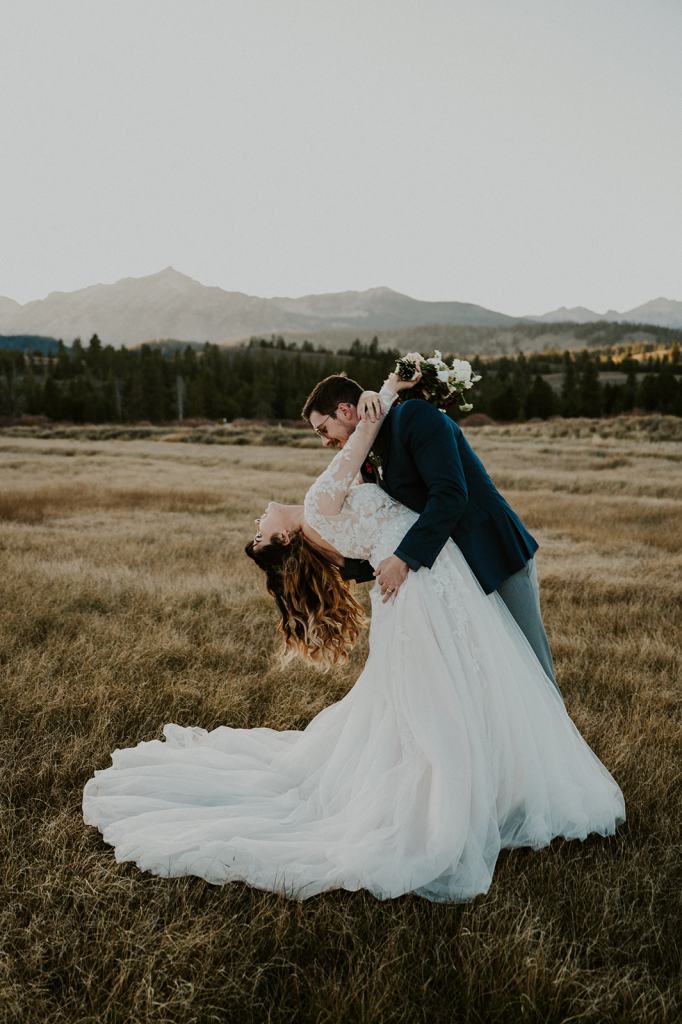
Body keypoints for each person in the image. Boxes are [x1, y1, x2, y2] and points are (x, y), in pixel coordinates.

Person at [82, 373, 624, 902]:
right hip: (420, 580)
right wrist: (378, 406)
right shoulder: (318, 502)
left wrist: (382, 392)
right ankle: (488, 792)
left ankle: (513, 782)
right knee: (455, 690)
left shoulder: (362, 467)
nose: (258, 518)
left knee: (486, 678)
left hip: (439, 570)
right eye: (260, 532)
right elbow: (368, 480)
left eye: (322, 428)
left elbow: (385, 491)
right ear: (286, 536)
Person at [302, 373, 560, 694]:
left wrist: (405, 558)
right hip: (453, 569)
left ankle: (556, 737)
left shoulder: (415, 416)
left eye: (322, 430)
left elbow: (450, 494)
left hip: (492, 551)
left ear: (344, 410)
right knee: (494, 670)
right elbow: (389, 523)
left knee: (530, 661)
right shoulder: (369, 454)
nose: (325, 441)